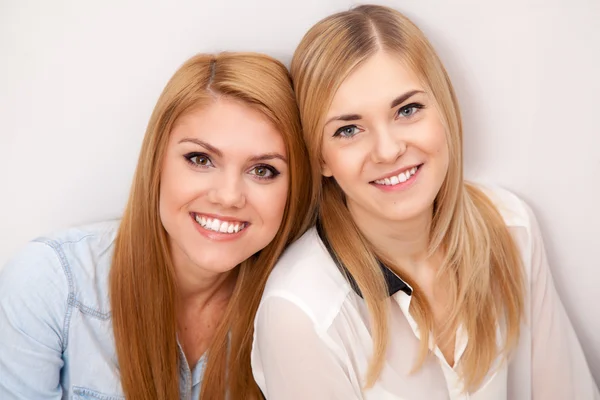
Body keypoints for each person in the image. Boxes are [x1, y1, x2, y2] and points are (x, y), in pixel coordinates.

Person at [251, 5, 600, 399]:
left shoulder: (512, 228)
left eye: (408, 109)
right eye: (348, 129)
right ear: (320, 158)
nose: (387, 150)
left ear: (444, 111)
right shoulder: (301, 312)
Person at [0, 52, 313, 399]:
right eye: (200, 159)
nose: (228, 196)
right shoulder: (51, 284)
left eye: (263, 170)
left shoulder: (299, 311)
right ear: (157, 163)